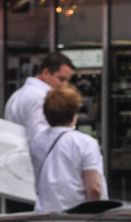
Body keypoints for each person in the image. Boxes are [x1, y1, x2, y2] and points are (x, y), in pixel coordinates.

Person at [29, 85, 105, 213]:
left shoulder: (37, 141)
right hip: (76, 217)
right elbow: (94, 188)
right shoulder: (85, 143)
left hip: (43, 215)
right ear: (74, 114)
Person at [3, 52, 75, 139]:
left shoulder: (17, 94)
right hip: (29, 151)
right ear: (45, 73)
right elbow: (41, 140)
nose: (65, 85)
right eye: (61, 79)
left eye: (67, 80)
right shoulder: (41, 98)